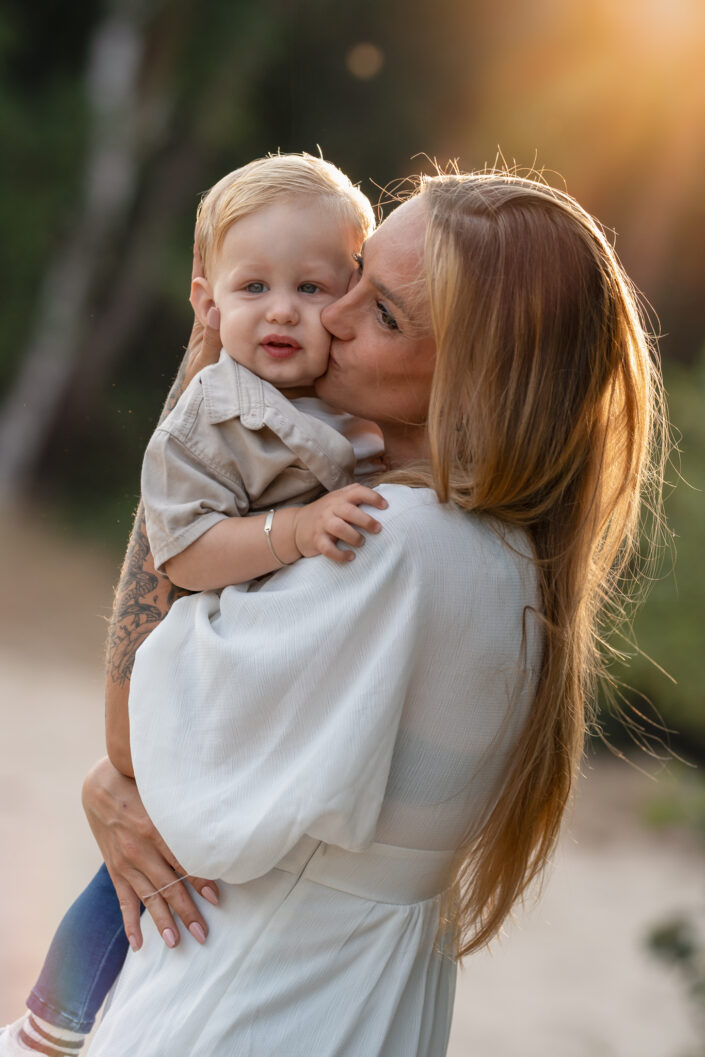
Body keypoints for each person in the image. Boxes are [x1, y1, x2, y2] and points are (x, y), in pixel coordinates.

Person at [15, 166, 667, 1057]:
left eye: (384, 312)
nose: (329, 315)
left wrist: (199, 392)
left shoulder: (386, 546)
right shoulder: (501, 554)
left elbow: (137, 749)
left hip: (246, 1008)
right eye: (354, 273)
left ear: (476, 381)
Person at [0, 152, 393, 1057]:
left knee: (183, 852)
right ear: (208, 303)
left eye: (313, 285)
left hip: (261, 685)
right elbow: (179, 549)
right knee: (149, 853)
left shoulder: (336, 405)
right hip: (193, 677)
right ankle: (54, 1018)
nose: (284, 308)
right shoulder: (210, 418)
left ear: (352, 296)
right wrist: (292, 533)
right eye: (254, 286)